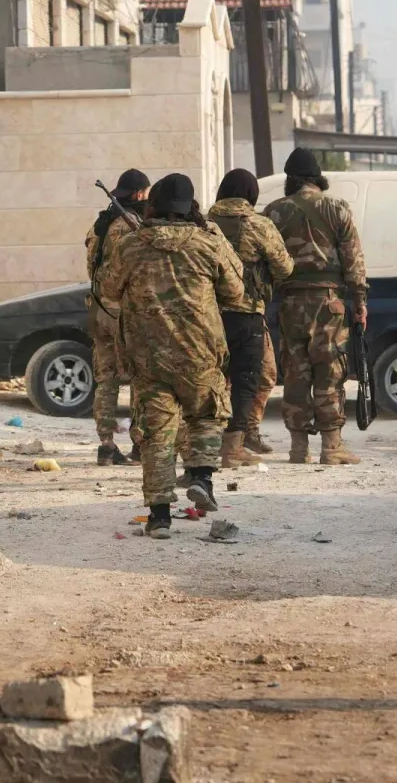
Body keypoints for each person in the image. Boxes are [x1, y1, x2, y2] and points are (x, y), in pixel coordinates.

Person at [102, 173, 245, 539]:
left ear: (154, 205)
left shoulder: (132, 246)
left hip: (148, 358)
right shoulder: (208, 244)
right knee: (206, 416)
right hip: (200, 353)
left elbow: (107, 288)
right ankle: (201, 477)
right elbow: (236, 291)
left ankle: (160, 517)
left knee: (157, 436)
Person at [263, 149, 367, 465]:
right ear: (318, 177)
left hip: (291, 304)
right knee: (330, 371)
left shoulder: (274, 212)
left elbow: (266, 263)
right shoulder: (337, 208)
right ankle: (332, 448)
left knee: (295, 374)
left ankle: (298, 449)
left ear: (289, 179)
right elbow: (354, 261)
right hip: (329, 304)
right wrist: (360, 301)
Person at [208, 169, 294, 468]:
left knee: (210, 380)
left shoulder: (205, 224)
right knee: (246, 379)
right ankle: (233, 448)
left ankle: (205, 444)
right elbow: (285, 268)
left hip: (207, 316)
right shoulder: (260, 225)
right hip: (246, 314)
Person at [86, 169, 150, 466]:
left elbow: (92, 269)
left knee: (106, 379)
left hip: (100, 309)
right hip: (127, 311)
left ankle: (106, 444)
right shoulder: (133, 227)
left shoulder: (98, 226)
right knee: (140, 377)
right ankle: (140, 443)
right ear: (139, 194)